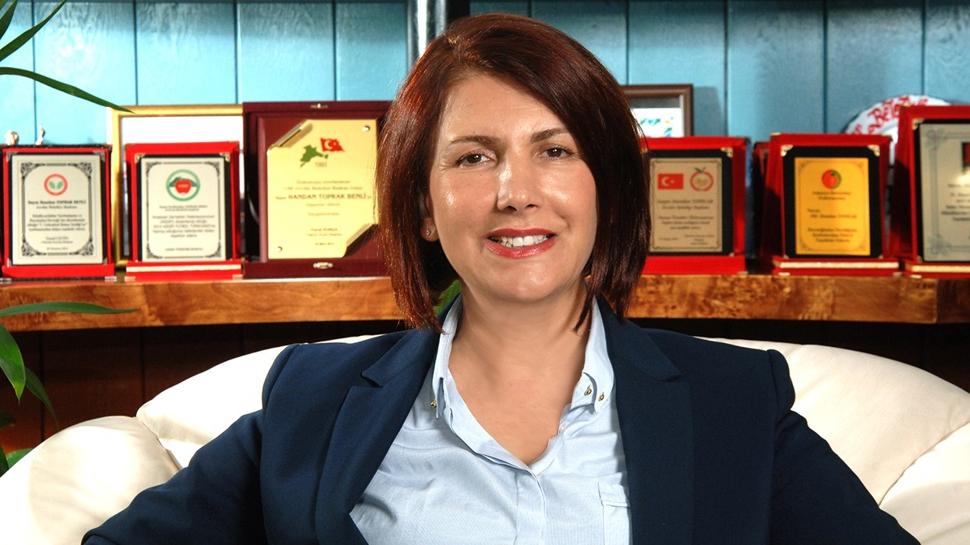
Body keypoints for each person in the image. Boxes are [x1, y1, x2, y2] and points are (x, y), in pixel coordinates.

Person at [84, 13, 918, 545]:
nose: (517, 191)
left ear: (606, 190)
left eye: (555, 150)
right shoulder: (315, 398)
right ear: (422, 206)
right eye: (474, 157)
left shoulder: (734, 400)